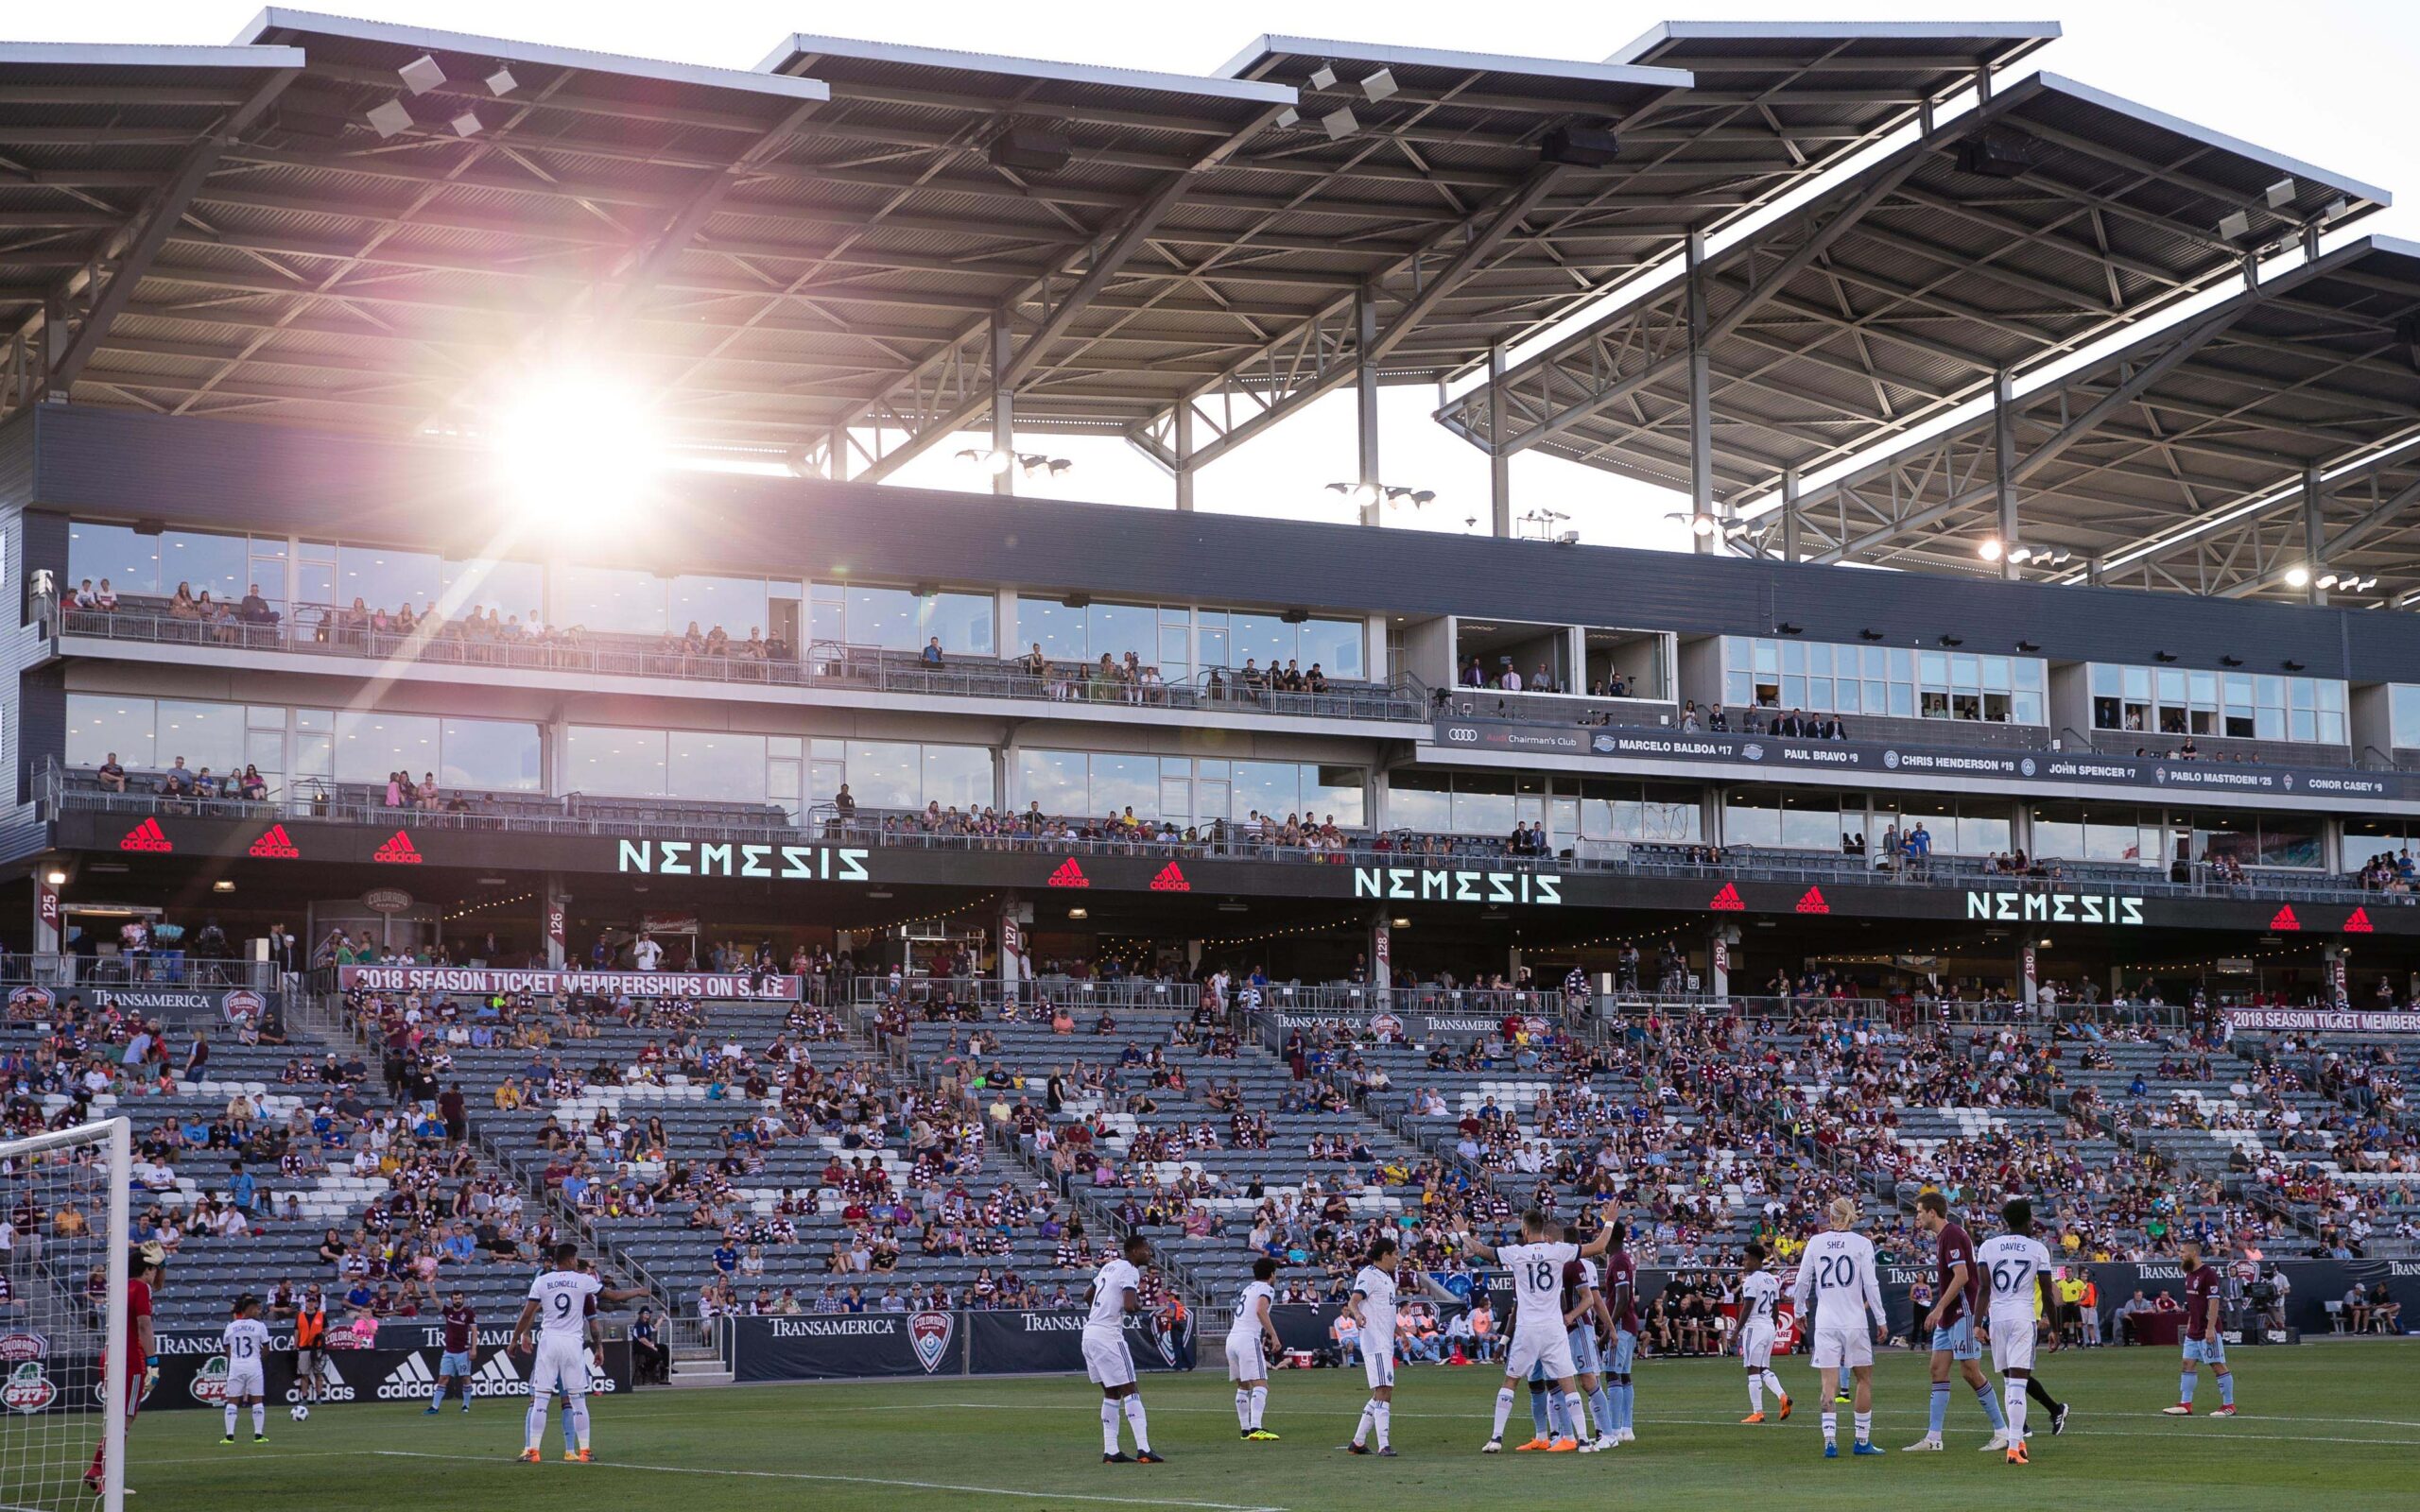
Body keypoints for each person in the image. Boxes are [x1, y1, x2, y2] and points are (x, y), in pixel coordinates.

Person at [1458, 1201, 1620, 1453]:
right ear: (1543, 1230)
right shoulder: (1558, 1250)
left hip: (1527, 1327)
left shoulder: (1516, 1253)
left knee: (1511, 1380)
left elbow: (1481, 1250)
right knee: (1568, 1383)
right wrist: (1609, 1220)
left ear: (1524, 1230)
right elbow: (1599, 1246)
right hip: (1554, 1327)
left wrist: (1463, 1233)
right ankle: (1585, 1441)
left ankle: (1496, 1438)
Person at [510, 1242, 647, 1462]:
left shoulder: (542, 1281)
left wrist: (515, 1340)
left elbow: (527, 1314)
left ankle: (533, 1451)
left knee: (541, 1399)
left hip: (549, 1341)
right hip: (572, 1343)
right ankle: (585, 1451)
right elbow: (613, 1296)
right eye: (575, 1258)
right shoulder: (583, 1280)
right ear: (571, 1259)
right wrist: (638, 1291)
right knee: (577, 1399)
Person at [1905, 1193, 2013, 1452]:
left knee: (1969, 1371)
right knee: (1937, 1370)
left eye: (1920, 1212)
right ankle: (1933, 1437)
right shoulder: (1945, 1236)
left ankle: (2002, 1431)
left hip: (1962, 1311)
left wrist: (1939, 1307)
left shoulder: (1952, 1234)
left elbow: (1963, 1276)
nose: (1917, 1217)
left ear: (1933, 1212)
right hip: (1949, 1314)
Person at [1789, 1195, 1889, 1458]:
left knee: (1828, 1384)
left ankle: (1830, 1442)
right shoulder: (1862, 1243)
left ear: (1830, 1217)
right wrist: (1881, 1318)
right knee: (1864, 1380)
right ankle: (1862, 1440)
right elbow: (1871, 1284)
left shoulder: (1816, 1242)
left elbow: (1801, 1281)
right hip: (1854, 1321)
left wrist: (1799, 1310)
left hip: (1825, 1321)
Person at [1975, 1198, 2061, 1466]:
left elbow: (1984, 1288)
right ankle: (2014, 1447)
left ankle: (2018, 1441)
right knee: (2018, 1383)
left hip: (1997, 1317)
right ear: (2028, 1220)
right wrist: (2055, 1328)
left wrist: (1977, 1324)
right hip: (2023, 1316)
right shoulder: (2037, 1249)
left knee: (2009, 1380)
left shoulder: (1988, 1246)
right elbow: (2047, 1291)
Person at [85, 1244, 162, 1497]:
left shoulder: (122, 1286)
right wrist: (152, 1361)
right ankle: (105, 1475)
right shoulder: (140, 1287)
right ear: (147, 1269)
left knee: (117, 1418)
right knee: (125, 1421)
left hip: (109, 1356)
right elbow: (144, 1325)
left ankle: (97, 1469)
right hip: (130, 1359)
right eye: (154, 1269)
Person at [1082, 1232, 1162, 1463]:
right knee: (1131, 1389)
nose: (1149, 1253)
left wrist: (1103, 1311)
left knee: (1111, 1392)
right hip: (1108, 1334)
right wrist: (1138, 1305)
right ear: (1134, 1251)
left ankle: (1111, 1450)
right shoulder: (1130, 1270)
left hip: (1090, 1333)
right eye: (1146, 1249)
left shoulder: (1109, 1267)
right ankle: (1144, 1449)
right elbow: (1129, 1305)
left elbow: (1088, 1295)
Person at [1340, 1237, 1400, 1456]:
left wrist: (1400, 1333)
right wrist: (1357, 1314)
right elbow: (1353, 1300)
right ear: (1384, 1255)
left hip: (1385, 1340)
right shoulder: (1369, 1275)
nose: (1397, 1258)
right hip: (1375, 1342)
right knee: (1385, 1390)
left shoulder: (1386, 1278)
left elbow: (1386, 1313)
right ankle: (1384, 1444)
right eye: (1395, 1254)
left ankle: (1358, 1442)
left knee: (1380, 1392)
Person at [2163, 1238, 2237, 1417]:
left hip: (2207, 1329)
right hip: (2194, 1329)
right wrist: (2190, 1323)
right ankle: (2185, 1403)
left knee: (2217, 1364)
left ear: (2193, 1253)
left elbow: (2213, 1302)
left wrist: (2210, 1328)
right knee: (2187, 1363)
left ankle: (2229, 1405)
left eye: (2182, 1252)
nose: (2180, 1255)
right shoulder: (2189, 1274)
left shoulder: (2208, 1274)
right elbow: (2194, 1303)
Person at [1224, 1256, 1281, 1441]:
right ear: (1272, 1274)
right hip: (1247, 1339)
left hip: (1232, 1338)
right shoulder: (1266, 1288)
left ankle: (1245, 1429)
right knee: (1261, 1384)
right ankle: (1256, 1427)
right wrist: (1273, 1334)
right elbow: (1260, 1310)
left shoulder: (1248, 1288)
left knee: (1243, 1386)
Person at [1736, 1242, 1792, 1424]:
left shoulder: (1751, 1281)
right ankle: (1782, 1397)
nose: (1744, 1263)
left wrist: (1736, 1331)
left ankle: (1757, 1412)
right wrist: (1773, 1327)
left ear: (1754, 1260)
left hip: (1755, 1326)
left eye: (1746, 1259)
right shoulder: (1771, 1280)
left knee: (1752, 1369)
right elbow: (1776, 1308)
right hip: (1768, 1326)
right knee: (1763, 1369)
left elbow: (1747, 1307)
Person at [1599, 1213, 1640, 1447]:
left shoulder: (1619, 1260)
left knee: (1612, 1374)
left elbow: (1623, 1298)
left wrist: (1608, 1330)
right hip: (1629, 1324)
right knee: (1623, 1376)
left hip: (1622, 1325)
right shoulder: (1620, 1260)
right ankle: (1626, 1428)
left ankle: (1613, 1430)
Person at [218, 1293, 271, 1445]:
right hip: (254, 1365)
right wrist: (257, 1359)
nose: (259, 1311)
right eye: (257, 1309)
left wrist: (234, 1359)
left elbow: (226, 1346)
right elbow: (267, 1348)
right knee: (257, 1399)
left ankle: (229, 1436)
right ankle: (258, 1435)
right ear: (250, 1309)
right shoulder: (260, 1326)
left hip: (236, 1366)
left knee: (232, 1400)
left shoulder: (230, 1326)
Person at [426, 1287, 475, 1415]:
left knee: (465, 1378)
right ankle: (434, 1407)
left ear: (463, 1299)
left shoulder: (468, 1313)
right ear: (451, 1299)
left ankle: (466, 1405)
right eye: (455, 1298)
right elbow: (434, 1298)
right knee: (443, 1378)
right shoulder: (447, 1311)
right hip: (448, 1351)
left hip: (463, 1351)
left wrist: (473, 1349)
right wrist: (430, 1284)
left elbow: (474, 1331)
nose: (458, 1300)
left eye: (460, 1298)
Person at [292, 1285, 329, 1406]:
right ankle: (304, 1397)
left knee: (318, 1373)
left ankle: (319, 1396)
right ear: (306, 1302)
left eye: (313, 1301)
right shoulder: (300, 1315)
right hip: (304, 1347)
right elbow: (297, 1331)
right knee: (304, 1374)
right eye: (309, 1301)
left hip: (317, 1347)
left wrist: (322, 1336)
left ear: (316, 1303)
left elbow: (326, 1330)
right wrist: (295, 1344)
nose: (311, 1303)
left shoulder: (321, 1315)